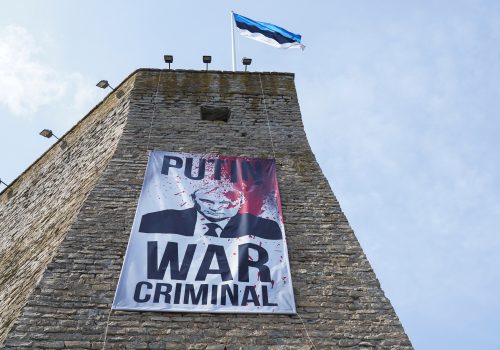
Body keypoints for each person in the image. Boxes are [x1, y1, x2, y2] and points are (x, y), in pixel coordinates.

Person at [139, 186, 282, 240]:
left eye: (226, 204)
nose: (215, 208)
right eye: (207, 201)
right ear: (193, 199)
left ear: (242, 203)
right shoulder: (156, 221)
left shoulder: (265, 228)